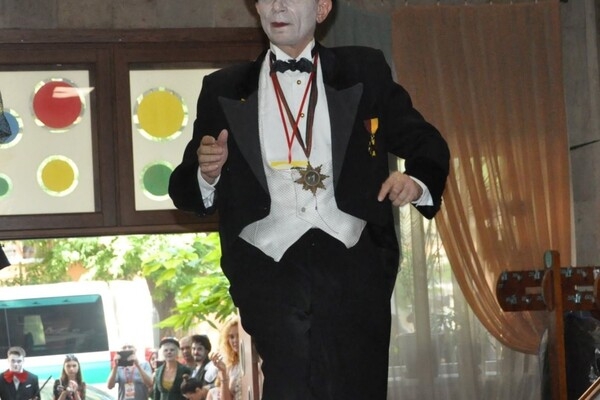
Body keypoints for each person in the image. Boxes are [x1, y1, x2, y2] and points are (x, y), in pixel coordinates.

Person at [168, 0, 450, 398]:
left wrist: (417, 181)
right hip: (268, 266)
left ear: (321, 8)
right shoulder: (223, 87)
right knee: (289, 386)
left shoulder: (363, 69)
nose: (278, 5)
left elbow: (425, 142)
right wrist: (206, 171)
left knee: (358, 385)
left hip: (355, 261)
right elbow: (182, 187)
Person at [208, 318, 241, 400]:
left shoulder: (255, 362)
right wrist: (223, 372)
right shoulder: (230, 366)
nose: (235, 340)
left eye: (239, 335)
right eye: (231, 337)